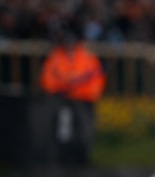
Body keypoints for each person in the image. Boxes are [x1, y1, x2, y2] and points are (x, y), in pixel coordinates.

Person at [40, 22, 106, 164]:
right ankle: (60, 157)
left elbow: (96, 77)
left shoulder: (86, 57)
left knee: (84, 130)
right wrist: (59, 89)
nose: (68, 44)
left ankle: (82, 157)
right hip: (61, 100)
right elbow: (48, 79)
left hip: (83, 100)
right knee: (62, 130)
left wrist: (86, 93)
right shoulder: (55, 57)